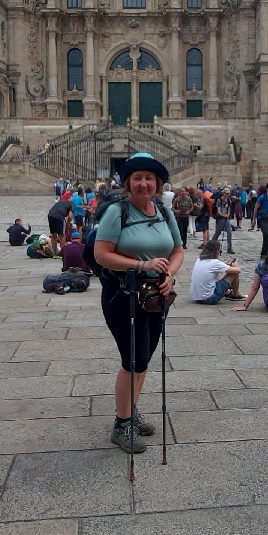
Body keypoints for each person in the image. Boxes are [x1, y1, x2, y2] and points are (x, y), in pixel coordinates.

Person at [93, 152, 185, 455]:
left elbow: (178, 251)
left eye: (149, 178)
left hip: (155, 297)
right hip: (123, 295)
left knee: (145, 357)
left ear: (157, 183)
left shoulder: (164, 212)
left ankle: (130, 410)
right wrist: (139, 265)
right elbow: (101, 254)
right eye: (137, 178)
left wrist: (169, 274)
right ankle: (122, 424)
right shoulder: (117, 212)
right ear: (128, 183)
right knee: (133, 360)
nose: (144, 184)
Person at [190, 239, 241, 303]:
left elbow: (213, 269)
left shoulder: (199, 260)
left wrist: (224, 265)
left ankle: (228, 291)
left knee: (214, 275)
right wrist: (235, 265)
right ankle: (235, 295)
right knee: (233, 273)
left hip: (197, 297)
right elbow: (238, 270)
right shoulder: (215, 263)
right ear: (217, 251)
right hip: (210, 298)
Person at [213, 188, 234, 254]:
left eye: (228, 193)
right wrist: (223, 215)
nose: (227, 195)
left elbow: (229, 208)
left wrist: (228, 214)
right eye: (226, 193)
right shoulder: (219, 200)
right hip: (220, 219)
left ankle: (229, 248)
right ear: (224, 193)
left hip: (226, 219)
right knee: (217, 233)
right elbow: (218, 211)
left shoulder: (228, 200)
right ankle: (211, 245)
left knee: (229, 232)